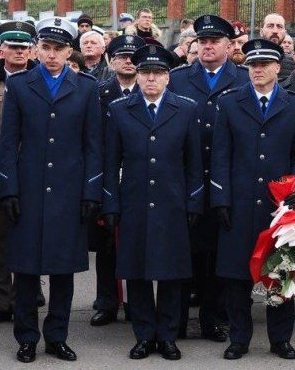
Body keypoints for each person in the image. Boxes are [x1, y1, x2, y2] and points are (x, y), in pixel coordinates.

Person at [0, 16, 103, 363]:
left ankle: (57, 336)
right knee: (26, 269)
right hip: (28, 189)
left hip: (69, 191)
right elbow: (9, 141)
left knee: (62, 270)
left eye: (59, 49)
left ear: (69, 51)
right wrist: (9, 188)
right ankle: (26, 337)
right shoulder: (19, 85)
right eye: (46, 48)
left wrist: (91, 192)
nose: (52, 54)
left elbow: (93, 146)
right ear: (36, 49)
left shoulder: (86, 87)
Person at [211, 39, 295, 360]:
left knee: (280, 274)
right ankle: (239, 338)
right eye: (251, 66)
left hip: (279, 207)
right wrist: (221, 200)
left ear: (276, 68)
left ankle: (280, 339)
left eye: (262, 65)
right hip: (239, 204)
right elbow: (220, 157)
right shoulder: (230, 103)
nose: (256, 71)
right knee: (237, 277)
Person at [101, 44, 201, 361]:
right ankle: (144, 335)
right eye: (146, 73)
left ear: (168, 77)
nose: (151, 79)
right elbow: (110, 162)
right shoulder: (119, 109)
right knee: (137, 272)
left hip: (173, 203)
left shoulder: (185, 108)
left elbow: (194, 163)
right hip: (134, 202)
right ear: (138, 75)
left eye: (158, 73)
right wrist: (111, 204)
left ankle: (168, 336)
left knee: (171, 273)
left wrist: (194, 202)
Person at [169, 14, 249, 343]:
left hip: (227, 178)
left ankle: (214, 317)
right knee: (186, 250)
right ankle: (176, 319)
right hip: (187, 177)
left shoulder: (243, 78)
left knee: (219, 251)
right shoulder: (179, 79)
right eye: (202, 41)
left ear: (229, 46)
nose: (207, 46)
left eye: (215, 41)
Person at [0, 21, 38, 328]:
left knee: (30, 239)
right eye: (13, 47)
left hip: (34, 176)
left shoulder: (41, 81)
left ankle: (26, 297)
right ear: (1, 50)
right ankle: (0, 301)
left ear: (31, 50)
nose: (19, 52)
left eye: (24, 47)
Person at [88, 34, 148, 328]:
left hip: (139, 179)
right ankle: (107, 302)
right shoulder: (98, 94)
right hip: (108, 177)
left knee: (137, 242)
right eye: (121, 56)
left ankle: (137, 303)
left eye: (133, 56)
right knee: (107, 245)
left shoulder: (150, 93)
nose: (127, 60)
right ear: (110, 61)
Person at [259, 14, 295, 81]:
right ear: (261, 32)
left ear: (285, 33)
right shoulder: (249, 61)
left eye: (279, 27)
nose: (275, 31)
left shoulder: (294, 64)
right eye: (270, 26)